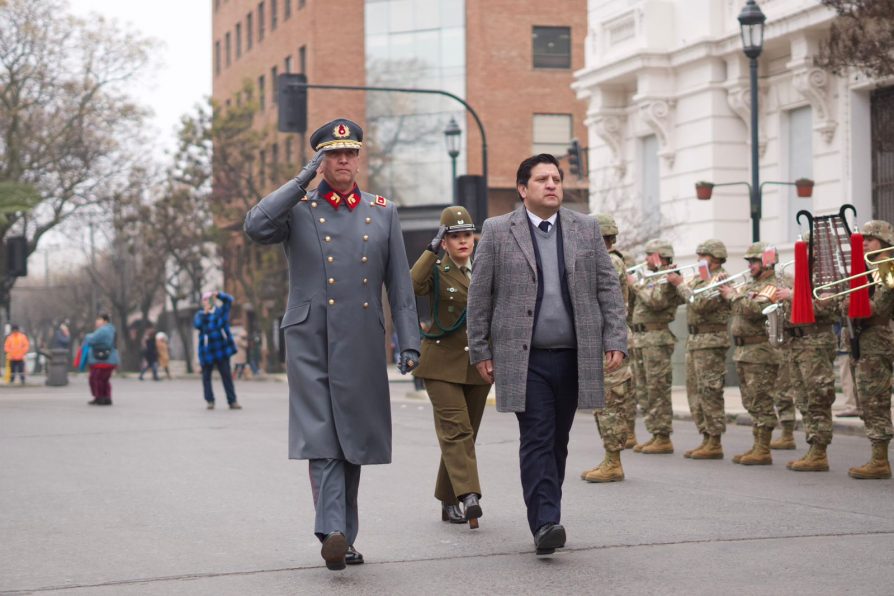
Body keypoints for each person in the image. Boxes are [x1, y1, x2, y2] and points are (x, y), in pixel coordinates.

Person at [244, 118, 420, 570]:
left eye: (350, 152)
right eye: (333, 154)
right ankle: (334, 531)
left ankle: (343, 535)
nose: (343, 160)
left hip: (362, 335)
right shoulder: (298, 208)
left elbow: (399, 284)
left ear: (359, 158)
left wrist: (408, 341)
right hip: (310, 337)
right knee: (323, 436)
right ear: (321, 159)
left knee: (353, 441)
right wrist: (303, 177)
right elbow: (255, 226)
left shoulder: (382, 211)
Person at [467, 153, 627, 556]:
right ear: (523, 189)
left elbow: (608, 287)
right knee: (537, 436)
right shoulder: (499, 231)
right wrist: (481, 350)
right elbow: (479, 296)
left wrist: (616, 338)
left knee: (558, 441)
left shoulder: (586, 228)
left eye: (556, 178)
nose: (552, 185)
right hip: (526, 359)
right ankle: (545, 522)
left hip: (575, 356)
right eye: (542, 179)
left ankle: (547, 514)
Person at [411, 205, 492, 527]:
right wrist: (430, 251)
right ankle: (468, 496)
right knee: (456, 430)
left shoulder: (485, 268)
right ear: (444, 241)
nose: (462, 241)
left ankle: (447, 500)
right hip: (441, 364)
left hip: (478, 364)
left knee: (465, 436)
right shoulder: (436, 269)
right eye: (453, 236)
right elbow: (412, 285)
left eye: (466, 235)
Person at [579, 213, 633, 483]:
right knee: (604, 403)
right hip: (602, 341)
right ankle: (609, 459)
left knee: (612, 403)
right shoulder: (605, 261)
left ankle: (614, 462)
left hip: (610, 342)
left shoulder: (611, 262)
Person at [668, 240, 731, 459]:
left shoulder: (720, 278)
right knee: (694, 392)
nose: (698, 260)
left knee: (710, 391)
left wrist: (680, 284)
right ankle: (705, 436)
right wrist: (676, 281)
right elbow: (686, 296)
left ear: (714, 258)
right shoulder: (699, 278)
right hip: (695, 340)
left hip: (711, 341)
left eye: (702, 256)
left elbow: (700, 303)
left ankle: (715, 440)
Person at [772, 270, 839, 472]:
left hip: (816, 342)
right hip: (797, 343)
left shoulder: (827, 277)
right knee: (803, 399)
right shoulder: (802, 276)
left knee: (818, 397)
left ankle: (819, 451)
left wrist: (793, 295)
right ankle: (813, 448)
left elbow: (827, 308)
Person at [721, 242, 780, 466]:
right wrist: (731, 295)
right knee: (751, 401)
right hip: (744, 350)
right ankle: (757, 445)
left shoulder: (773, 285)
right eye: (749, 262)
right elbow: (736, 308)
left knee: (761, 399)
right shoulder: (750, 285)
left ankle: (763, 449)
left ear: (767, 262)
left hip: (760, 351)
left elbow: (755, 310)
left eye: (754, 261)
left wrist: (733, 296)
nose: (750, 266)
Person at [846, 220, 894, 479]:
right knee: (866, 399)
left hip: (877, 342)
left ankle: (880, 460)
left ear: (884, 242)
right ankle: (877, 457)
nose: (864, 243)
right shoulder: (869, 267)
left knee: (875, 400)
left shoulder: (887, 267)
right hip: (864, 342)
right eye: (863, 238)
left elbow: (881, 307)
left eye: (870, 239)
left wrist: (850, 303)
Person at [629, 239, 685, 454]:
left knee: (657, 388)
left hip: (656, 338)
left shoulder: (668, 277)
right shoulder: (651, 276)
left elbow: (656, 301)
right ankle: (654, 433)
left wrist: (635, 283)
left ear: (659, 256)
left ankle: (663, 436)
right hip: (642, 338)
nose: (645, 259)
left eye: (649, 254)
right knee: (644, 390)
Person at [193, 291, 241, 410]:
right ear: (202, 302)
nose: (207, 301)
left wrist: (218, 294)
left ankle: (232, 400)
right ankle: (210, 400)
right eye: (205, 299)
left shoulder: (220, 312)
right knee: (206, 377)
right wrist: (205, 313)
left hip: (221, 349)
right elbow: (198, 325)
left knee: (226, 375)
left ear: (213, 300)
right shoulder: (200, 315)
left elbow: (229, 300)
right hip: (207, 350)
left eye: (209, 299)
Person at [82, 314, 120, 406]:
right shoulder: (110, 329)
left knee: (96, 378)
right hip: (108, 359)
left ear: (105, 321)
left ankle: (99, 397)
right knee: (104, 380)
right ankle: (106, 397)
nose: (96, 321)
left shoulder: (104, 330)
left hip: (102, 360)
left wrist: (87, 336)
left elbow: (91, 339)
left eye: (99, 319)